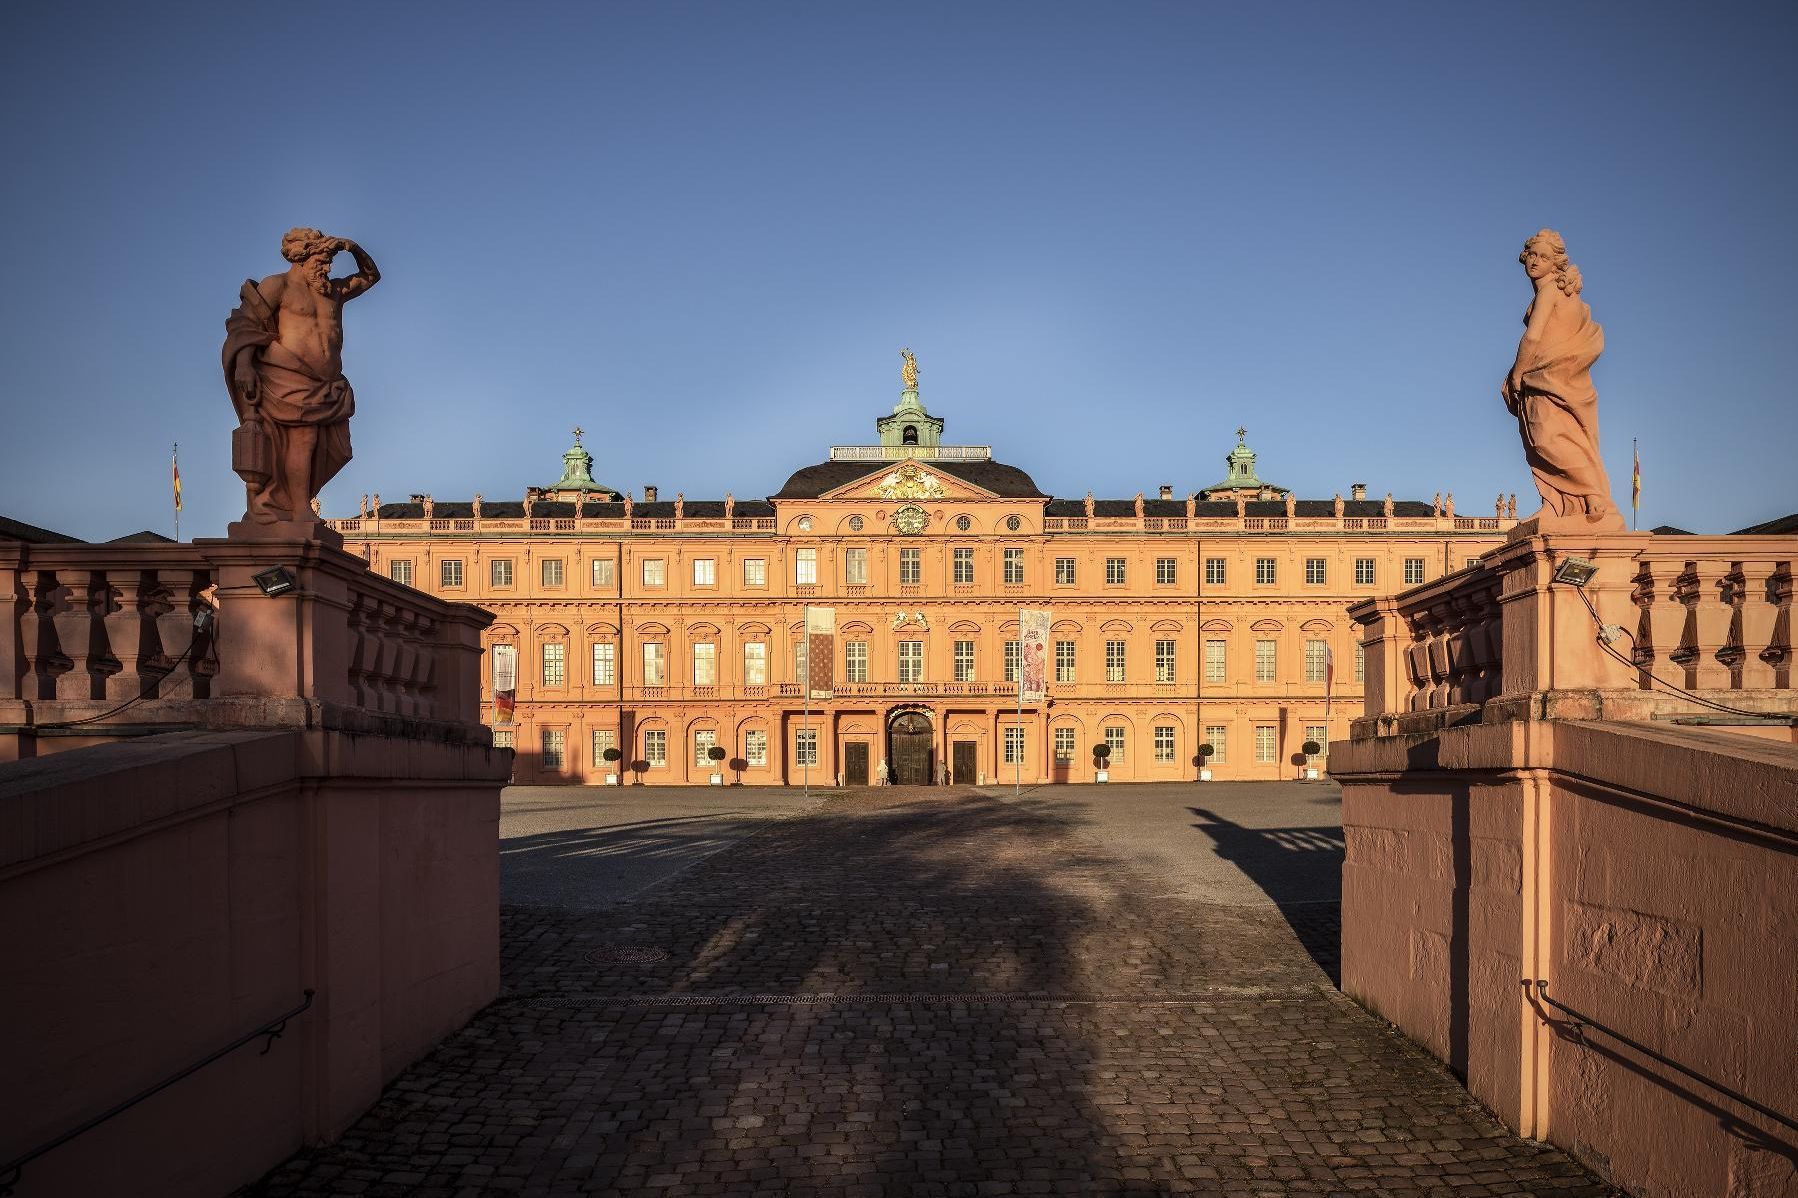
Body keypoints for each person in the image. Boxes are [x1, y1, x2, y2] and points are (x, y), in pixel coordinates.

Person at [224, 228, 380, 523]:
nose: (328, 268)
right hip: (288, 378)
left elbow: (371, 276)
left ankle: (295, 505)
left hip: (329, 386)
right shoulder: (277, 286)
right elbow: (246, 325)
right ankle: (299, 509)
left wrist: (354, 248)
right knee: (304, 439)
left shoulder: (333, 291)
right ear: (302, 258)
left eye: (330, 261)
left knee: (337, 448)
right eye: (321, 261)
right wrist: (244, 364)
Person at [1501, 230, 1623, 531]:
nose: (1535, 262)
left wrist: (1517, 373)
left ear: (1555, 263)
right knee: (1543, 440)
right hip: (1544, 377)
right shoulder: (1554, 291)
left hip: (1550, 378)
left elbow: (1533, 336)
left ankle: (1593, 494)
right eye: (1532, 255)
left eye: (1544, 257)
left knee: (1548, 438)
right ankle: (1557, 503)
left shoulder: (1550, 291)